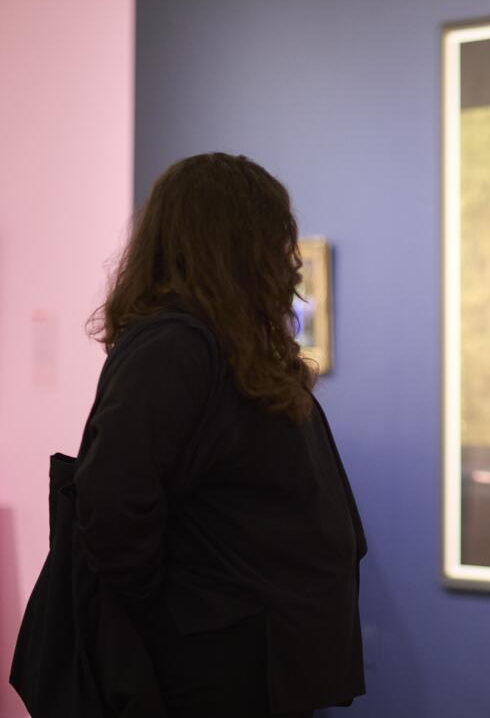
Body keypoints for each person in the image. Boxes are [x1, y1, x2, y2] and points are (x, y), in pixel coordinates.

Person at [57, 153, 364, 716]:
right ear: (234, 245)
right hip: (205, 674)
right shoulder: (173, 345)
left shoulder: (230, 348)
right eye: (274, 238)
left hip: (251, 664)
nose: (288, 260)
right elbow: (113, 503)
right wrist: (181, 614)